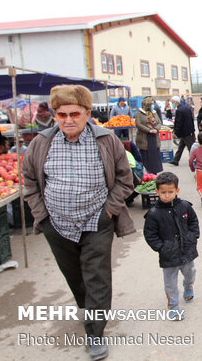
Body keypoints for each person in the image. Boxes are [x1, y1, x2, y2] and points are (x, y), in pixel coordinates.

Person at [22, 84, 134, 361]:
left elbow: (124, 180)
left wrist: (108, 211)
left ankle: (95, 332)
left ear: (86, 113)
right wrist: (43, 217)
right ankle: (89, 309)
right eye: (61, 115)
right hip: (56, 225)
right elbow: (30, 182)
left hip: (96, 221)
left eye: (74, 113)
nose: (68, 120)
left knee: (97, 276)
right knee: (74, 276)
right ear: (55, 115)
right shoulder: (41, 143)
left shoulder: (106, 140)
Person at [143, 171, 199, 321]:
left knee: (190, 273)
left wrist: (192, 237)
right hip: (168, 256)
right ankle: (174, 307)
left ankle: (188, 286)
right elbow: (150, 234)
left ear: (177, 191)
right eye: (163, 192)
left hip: (187, 251)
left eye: (170, 192)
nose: (167, 195)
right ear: (157, 192)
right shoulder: (153, 214)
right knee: (170, 284)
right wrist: (161, 247)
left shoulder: (185, 206)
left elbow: (193, 222)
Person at [135, 97, 163, 174]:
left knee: (154, 158)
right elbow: (138, 124)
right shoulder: (139, 113)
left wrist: (156, 129)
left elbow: (159, 123)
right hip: (145, 139)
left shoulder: (154, 112)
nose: (150, 106)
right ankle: (147, 174)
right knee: (146, 158)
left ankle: (154, 173)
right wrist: (149, 130)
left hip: (154, 138)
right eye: (149, 105)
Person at [168, 95, 195, 166]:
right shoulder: (187, 108)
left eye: (172, 102)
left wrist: (175, 132)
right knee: (181, 146)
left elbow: (178, 123)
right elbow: (191, 119)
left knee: (190, 146)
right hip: (188, 130)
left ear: (176, 102)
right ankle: (175, 160)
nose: (172, 104)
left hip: (184, 132)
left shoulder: (179, 110)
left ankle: (195, 160)